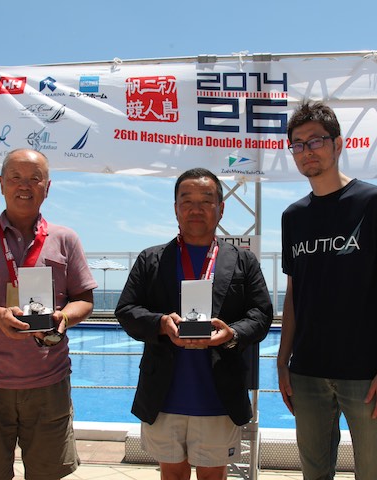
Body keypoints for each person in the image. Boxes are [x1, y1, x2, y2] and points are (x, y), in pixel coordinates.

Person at [277, 101, 377, 480]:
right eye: (297, 144)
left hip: (367, 375)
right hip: (307, 373)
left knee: (375, 474)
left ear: (337, 145)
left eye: (316, 141)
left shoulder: (376, 203)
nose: (307, 151)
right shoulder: (293, 217)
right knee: (314, 474)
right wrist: (282, 362)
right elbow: (293, 295)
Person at [0, 148, 97, 480]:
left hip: (49, 381)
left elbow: (84, 299)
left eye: (34, 179)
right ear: (1, 184)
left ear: (47, 187)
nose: (24, 185)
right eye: (15, 177)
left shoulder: (65, 239)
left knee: (48, 474)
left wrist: (64, 318)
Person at [116, 168, 273, 480]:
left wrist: (232, 334)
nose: (196, 209)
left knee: (213, 476)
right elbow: (126, 310)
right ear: (176, 208)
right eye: (187, 201)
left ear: (220, 208)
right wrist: (161, 323)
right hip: (164, 394)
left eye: (206, 201)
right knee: (172, 475)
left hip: (219, 394)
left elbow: (261, 314)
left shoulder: (243, 261)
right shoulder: (151, 259)